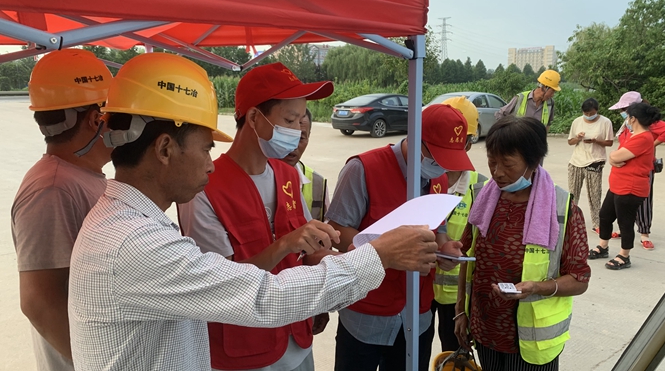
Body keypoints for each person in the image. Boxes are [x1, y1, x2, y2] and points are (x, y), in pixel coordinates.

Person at [68, 52, 441, 371]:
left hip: (292, 340)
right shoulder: (137, 245)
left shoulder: (132, 224)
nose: (210, 164)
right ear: (165, 149)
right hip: (246, 352)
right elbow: (265, 296)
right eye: (205, 148)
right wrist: (378, 255)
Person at [178, 62, 336, 371]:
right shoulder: (204, 188)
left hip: (297, 339)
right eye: (289, 120)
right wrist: (284, 244)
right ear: (253, 118)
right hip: (244, 350)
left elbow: (307, 253)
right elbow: (219, 283)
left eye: (301, 120)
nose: (297, 131)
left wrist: (349, 258)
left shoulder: (289, 175)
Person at [327, 104, 470, 371]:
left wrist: (445, 249)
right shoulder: (363, 169)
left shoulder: (438, 179)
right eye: (437, 156)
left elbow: (437, 230)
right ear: (415, 139)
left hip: (417, 315)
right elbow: (337, 231)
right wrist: (388, 253)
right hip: (367, 312)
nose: (442, 167)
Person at [455, 117, 591, 370]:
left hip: (533, 342)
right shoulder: (481, 197)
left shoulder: (562, 209)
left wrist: (537, 287)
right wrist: (460, 311)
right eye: (492, 161)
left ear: (533, 161)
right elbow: (467, 258)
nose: (497, 172)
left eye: (508, 164)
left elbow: (579, 279)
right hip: (485, 330)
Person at [11, 49, 113, 371]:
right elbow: (40, 301)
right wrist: (96, 364)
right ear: (95, 119)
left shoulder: (77, 178)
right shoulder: (53, 189)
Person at [432, 97, 488, 353]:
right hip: (419, 291)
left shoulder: (482, 188)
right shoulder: (421, 181)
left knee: (454, 356)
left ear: (467, 143)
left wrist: (466, 307)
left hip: (458, 300)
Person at [589, 102, 662, 269]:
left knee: (625, 222)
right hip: (618, 185)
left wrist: (614, 158)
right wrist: (614, 158)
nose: (626, 119)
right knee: (605, 215)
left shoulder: (643, 138)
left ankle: (624, 255)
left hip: (630, 188)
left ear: (633, 118)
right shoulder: (633, 135)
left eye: (628, 116)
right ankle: (603, 246)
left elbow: (616, 156)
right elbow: (615, 156)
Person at [609, 92, 665, 249]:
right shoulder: (628, 124)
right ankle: (624, 229)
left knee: (644, 201)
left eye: (624, 109)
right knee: (623, 202)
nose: (622, 113)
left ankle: (644, 233)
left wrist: (651, 144)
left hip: (642, 169)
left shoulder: (646, 124)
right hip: (625, 168)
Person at [567, 98, 614, 234]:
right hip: (576, 161)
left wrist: (595, 141)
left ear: (596, 111)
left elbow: (609, 142)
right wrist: (578, 137)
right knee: (573, 194)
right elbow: (570, 141)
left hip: (595, 160)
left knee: (594, 194)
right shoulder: (577, 121)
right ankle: (570, 220)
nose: (588, 116)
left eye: (591, 113)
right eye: (586, 113)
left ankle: (597, 223)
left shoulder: (605, 122)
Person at [282, 108, 330, 222]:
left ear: (309, 137)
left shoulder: (318, 184)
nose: (293, 145)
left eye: (301, 138)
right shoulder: (254, 179)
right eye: (288, 136)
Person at [495, 69, 561, 133]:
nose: (553, 95)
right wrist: (507, 132)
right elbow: (500, 114)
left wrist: (543, 138)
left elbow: (548, 124)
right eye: (552, 91)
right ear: (545, 88)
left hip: (536, 140)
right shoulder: (520, 98)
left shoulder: (550, 103)